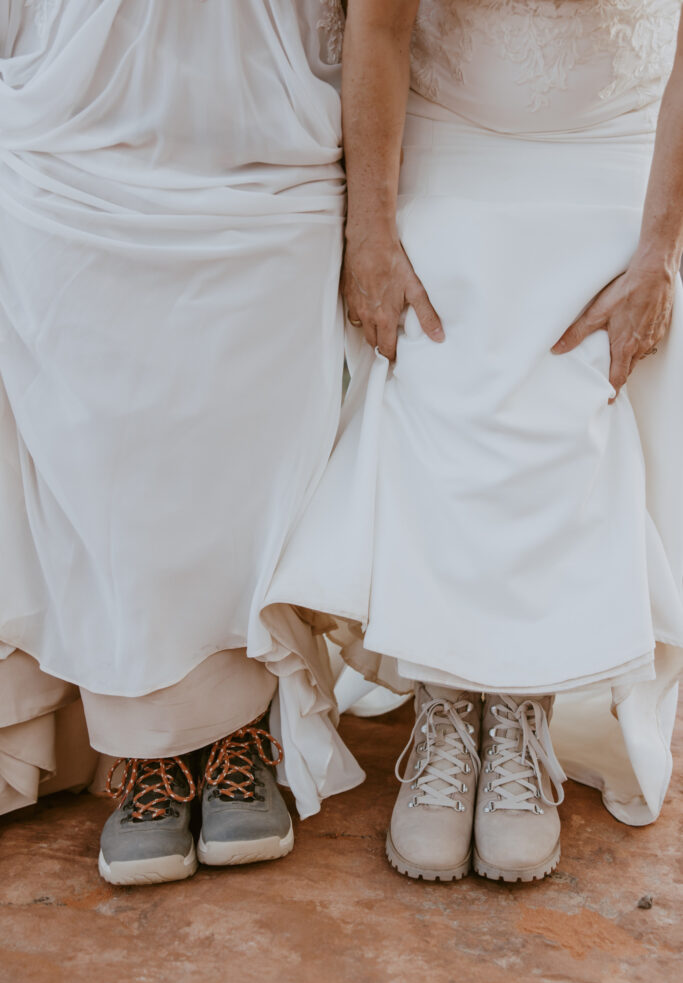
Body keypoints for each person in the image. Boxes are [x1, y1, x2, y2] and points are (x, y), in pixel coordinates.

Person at [265, 0, 683, 882]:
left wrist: (658, 251)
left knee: (571, 369)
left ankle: (519, 708)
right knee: (446, 342)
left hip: (618, 143)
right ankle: (449, 700)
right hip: (449, 131)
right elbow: (380, 24)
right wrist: (369, 233)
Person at [0, 0, 364, 885]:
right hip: (73, 120)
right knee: (106, 446)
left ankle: (241, 729)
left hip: (273, 126)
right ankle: (149, 747)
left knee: (252, 433)